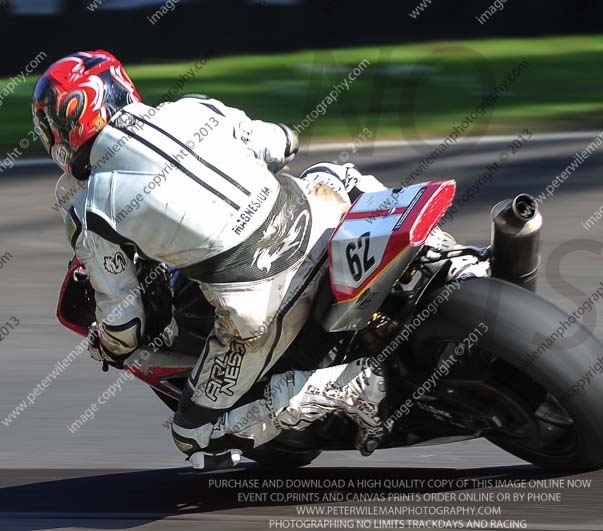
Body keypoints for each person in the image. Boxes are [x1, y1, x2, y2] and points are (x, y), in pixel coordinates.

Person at [35, 50, 485, 469]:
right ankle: (458, 262)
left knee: (193, 434)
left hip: (264, 300)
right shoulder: (193, 108)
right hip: (321, 217)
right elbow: (283, 143)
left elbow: (124, 318)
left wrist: (109, 347)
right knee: (331, 173)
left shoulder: (89, 210)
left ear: (61, 131)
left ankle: (354, 384)